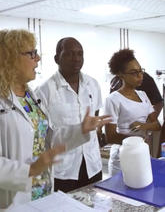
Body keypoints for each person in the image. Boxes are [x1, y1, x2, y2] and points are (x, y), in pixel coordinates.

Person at [0, 30, 111, 209]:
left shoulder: (29, 95)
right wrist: (30, 170)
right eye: (31, 53)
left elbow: (48, 139)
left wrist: (80, 130)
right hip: (13, 198)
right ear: (8, 58)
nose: (37, 59)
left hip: (42, 190)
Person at [36, 37, 103, 192]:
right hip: (63, 171)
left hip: (93, 165)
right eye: (70, 54)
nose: (76, 59)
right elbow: (42, 137)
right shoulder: (44, 91)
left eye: (80, 54)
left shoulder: (93, 84)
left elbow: (94, 120)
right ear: (56, 58)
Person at [104, 49, 161, 177]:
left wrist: (142, 126)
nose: (140, 76)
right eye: (134, 73)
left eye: (141, 71)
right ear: (121, 74)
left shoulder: (143, 95)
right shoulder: (113, 99)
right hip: (122, 154)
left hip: (142, 152)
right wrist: (136, 141)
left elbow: (156, 125)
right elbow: (110, 136)